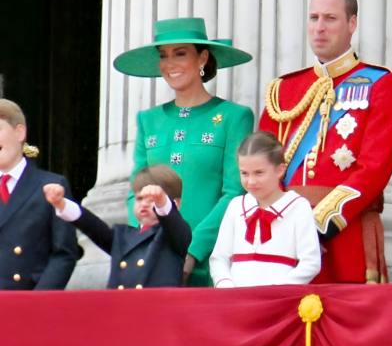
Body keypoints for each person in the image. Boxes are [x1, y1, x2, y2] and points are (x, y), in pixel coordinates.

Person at [258, 0, 392, 284]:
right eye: (313, 18)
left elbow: (374, 169)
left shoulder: (383, 85)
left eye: (330, 18)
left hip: (344, 234)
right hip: (282, 234)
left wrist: (316, 223)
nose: (319, 28)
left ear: (352, 24)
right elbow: (261, 163)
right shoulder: (284, 90)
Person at [113, 17, 254, 287]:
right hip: (154, 258)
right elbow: (136, 191)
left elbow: (235, 192)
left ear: (202, 58)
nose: (170, 64)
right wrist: (143, 242)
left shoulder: (234, 117)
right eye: (164, 56)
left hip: (211, 260)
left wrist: (192, 251)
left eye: (180, 53)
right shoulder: (148, 119)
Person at [44, 165, 192, 289]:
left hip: (158, 315)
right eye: (139, 198)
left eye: (151, 199)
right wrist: (62, 204)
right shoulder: (122, 235)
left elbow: (173, 223)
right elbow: (92, 226)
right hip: (121, 311)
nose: (144, 203)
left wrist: (162, 201)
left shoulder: (174, 235)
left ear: (175, 204)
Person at [209, 132, 321, 287]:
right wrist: (225, 286)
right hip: (235, 300)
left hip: (279, 301)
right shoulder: (236, 205)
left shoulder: (298, 207)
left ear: (280, 170)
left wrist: (276, 291)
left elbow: (311, 263)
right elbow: (219, 258)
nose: (251, 181)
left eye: (259, 173)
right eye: (244, 173)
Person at [0, 98, 82, 290]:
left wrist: (38, 302)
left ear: (19, 132)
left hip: (27, 304)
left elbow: (65, 252)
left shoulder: (52, 185)